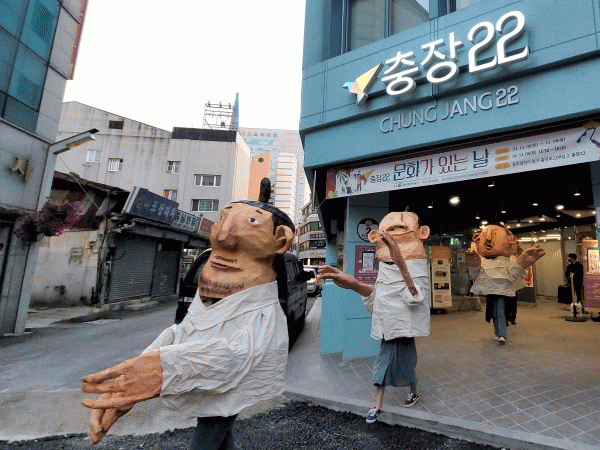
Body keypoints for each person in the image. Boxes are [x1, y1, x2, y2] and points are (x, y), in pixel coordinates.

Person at [81, 198, 295, 449]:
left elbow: (237, 354)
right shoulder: (213, 297)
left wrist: (163, 370)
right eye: (223, 218)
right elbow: (186, 332)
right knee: (221, 440)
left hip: (228, 387)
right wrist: (135, 373)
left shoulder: (262, 313)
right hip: (212, 386)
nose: (223, 236)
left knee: (208, 436)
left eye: (252, 221)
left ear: (280, 240)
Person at [317, 210, 430, 423]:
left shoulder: (418, 268)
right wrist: (354, 284)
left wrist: (401, 263)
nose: (398, 224)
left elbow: (415, 299)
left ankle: (404, 395)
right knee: (389, 364)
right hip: (388, 326)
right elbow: (379, 298)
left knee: (405, 363)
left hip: (405, 326)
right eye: (390, 227)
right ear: (376, 237)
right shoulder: (384, 269)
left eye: (404, 224)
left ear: (422, 233)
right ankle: (381, 404)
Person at [466, 224, 545, 344]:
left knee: (500, 312)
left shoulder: (508, 260)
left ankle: (502, 334)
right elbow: (476, 273)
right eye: (484, 235)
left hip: (503, 291)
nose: (488, 238)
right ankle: (498, 333)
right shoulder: (484, 260)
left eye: (495, 234)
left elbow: (513, 274)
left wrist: (523, 261)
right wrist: (473, 262)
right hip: (491, 291)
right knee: (493, 313)